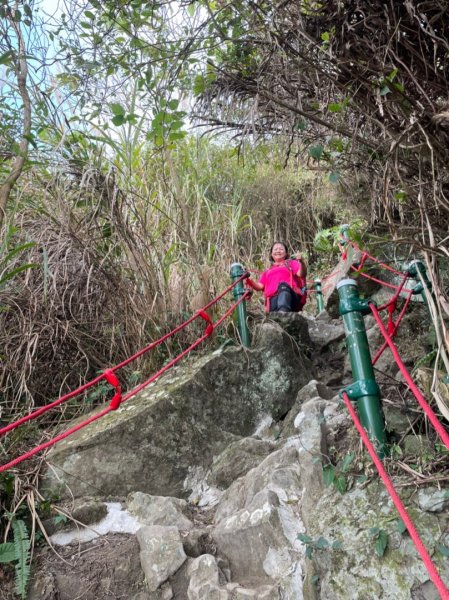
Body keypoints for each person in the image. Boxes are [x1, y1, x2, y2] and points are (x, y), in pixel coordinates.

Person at [246, 242, 307, 312]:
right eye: (275, 249)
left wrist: (301, 262)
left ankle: (283, 314)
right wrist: (248, 280)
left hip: (290, 297)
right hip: (273, 300)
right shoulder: (267, 272)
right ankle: (281, 314)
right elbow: (259, 287)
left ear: (286, 253)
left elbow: (302, 274)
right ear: (271, 254)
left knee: (283, 285)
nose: (278, 251)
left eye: (281, 249)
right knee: (279, 292)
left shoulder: (292, 263)